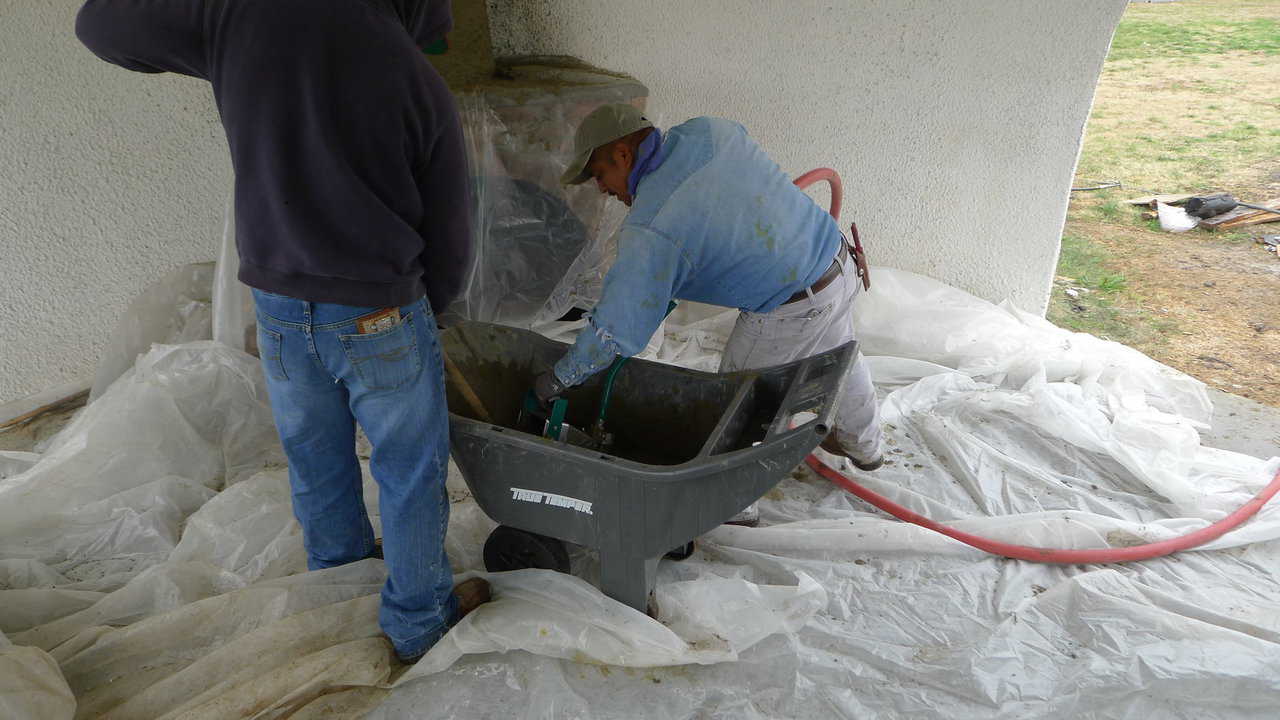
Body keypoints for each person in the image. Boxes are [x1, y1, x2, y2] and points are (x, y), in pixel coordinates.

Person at [75, 0, 487, 664]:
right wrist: (421, 312)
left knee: (315, 458)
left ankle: (337, 595)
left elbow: (99, 25)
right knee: (409, 471)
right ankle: (416, 623)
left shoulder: (238, 20)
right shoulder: (416, 78)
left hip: (279, 304)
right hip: (378, 308)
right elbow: (453, 233)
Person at [535, 104, 883, 522]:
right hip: (837, 264)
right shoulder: (709, 132)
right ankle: (868, 449)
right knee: (841, 356)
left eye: (599, 174)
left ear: (623, 155)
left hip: (788, 305)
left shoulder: (652, 227)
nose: (602, 189)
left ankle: (732, 507)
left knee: (735, 402)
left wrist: (559, 378)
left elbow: (614, 331)